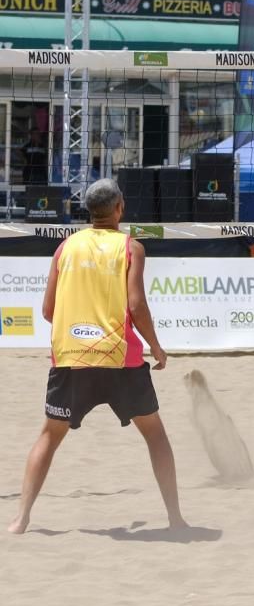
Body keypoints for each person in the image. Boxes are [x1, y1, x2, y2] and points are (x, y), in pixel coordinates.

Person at [8, 178, 187, 534]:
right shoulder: (131, 248)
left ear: (89, 211)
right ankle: (175, 519)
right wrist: (156, 346)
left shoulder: (65, 248)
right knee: (155, 435)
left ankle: (21, 520)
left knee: (49, 436)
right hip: (120, 357)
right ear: (120, 207)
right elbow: (136, 305)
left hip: (72, 357)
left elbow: (47, 310)